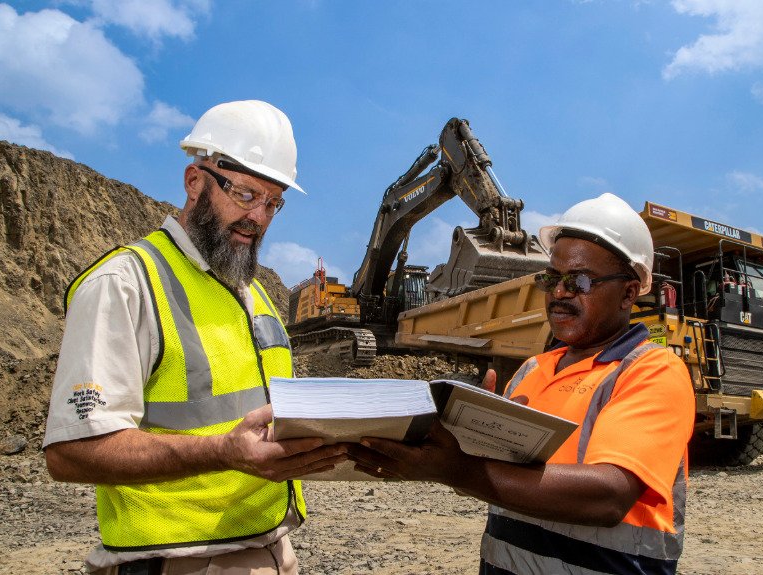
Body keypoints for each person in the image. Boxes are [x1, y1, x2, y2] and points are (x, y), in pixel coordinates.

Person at [43, 100, 346, 575]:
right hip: (174, 561)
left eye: (273, 203)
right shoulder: (126, 283)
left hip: (270, 548)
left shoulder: (254, 293)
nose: (260, 218)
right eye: (245, 194)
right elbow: (71, 452)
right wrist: (223, 452)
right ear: (194, 181)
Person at [349, 193, 695, 574]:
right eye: (552, 278)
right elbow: (502, 477)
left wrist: (456, 469)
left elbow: (608, 497)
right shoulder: (533, 369)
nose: (560, 292)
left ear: (629, 292)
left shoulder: (651, 370)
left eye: (579, 280)